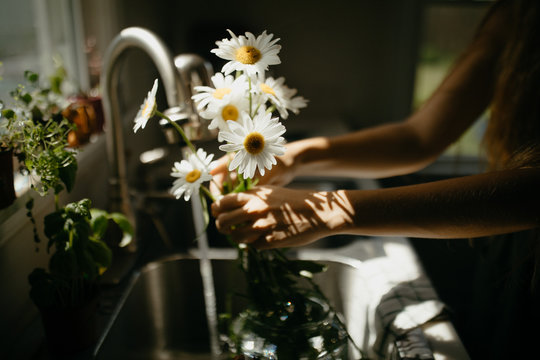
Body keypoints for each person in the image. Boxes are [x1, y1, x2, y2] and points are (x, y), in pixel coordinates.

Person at [211, 0, 540, 358]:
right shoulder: (517, 16)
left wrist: (328, 212)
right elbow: (418, 138)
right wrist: (293, 156)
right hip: (511, 249)